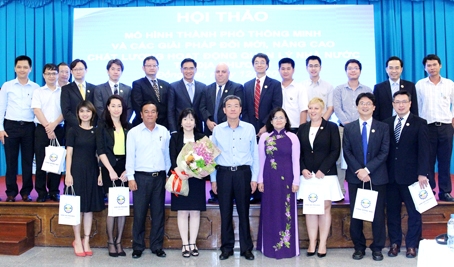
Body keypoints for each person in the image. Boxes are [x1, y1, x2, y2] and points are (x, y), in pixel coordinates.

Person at [211, 95, 259, 261]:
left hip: (243, 174)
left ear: (240, 109)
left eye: (236, 106)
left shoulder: (249, 128)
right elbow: (212, 156)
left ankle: (246, 248)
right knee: (225, 212)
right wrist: (213, 179)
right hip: (223, 174)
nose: (232, 108)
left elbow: (255, 154)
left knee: (243, 212)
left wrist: (254, 178)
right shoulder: (217, 130)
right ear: (224, 110)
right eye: (229, 106)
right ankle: (226, 248)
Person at [342, 93, 389, 261]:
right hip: (356, 177)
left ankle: (377, 248)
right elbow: (347, 152)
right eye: (361, 103)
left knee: (377, 214)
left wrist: (367, 170)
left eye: (368, 103)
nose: (365, 106)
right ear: (356, 106)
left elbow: (384, 152)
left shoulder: (383, 127)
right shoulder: (349, 128)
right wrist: (360, 171)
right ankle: (359, 247)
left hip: (377, 177)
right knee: (357, 214)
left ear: (374, 107)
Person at [384, 90, 429, 258]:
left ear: (410, 103)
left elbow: (425, 151)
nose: (401, 105)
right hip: (391, 177)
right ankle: (394, 243)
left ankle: (412, 245)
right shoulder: (387, 123)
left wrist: (422, 173)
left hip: (412, 177)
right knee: (393, 212)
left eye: (404, 101)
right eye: (397, 102)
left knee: (414, 212)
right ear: (393, 104)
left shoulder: (420, 122)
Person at [297, 97, 343, 257]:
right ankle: (312, 242)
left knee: (324, 208)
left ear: (322, 110)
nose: (313, 111)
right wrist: (302, 169)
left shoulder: (331, 127)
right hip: (307, 176)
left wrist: (323, 169)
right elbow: (299, 152)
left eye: (316, 108)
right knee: (310, 209)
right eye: (310, 108)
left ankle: (322, 243)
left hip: (326, 176)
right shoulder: (302, 128)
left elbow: (335, 150)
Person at [126, 102, 170, 259]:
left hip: (159, 178)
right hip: (141, 178)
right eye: (146, 112)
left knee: (158, 213)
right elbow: (130, 156)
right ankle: (138, 246)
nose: (150, 114)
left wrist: (167, 175)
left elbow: (167, 156)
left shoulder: (164, 131)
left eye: (153, 111)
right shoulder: (133, 133)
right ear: (141, 114)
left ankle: (157, 246)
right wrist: (130, 177)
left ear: (157, 114)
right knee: (139, 213)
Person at [257, 107, 300, 259]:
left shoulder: (292, 137)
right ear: (271, 121)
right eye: (275, 117)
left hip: (288, 180)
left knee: (286, 211)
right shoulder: (264, 137)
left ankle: (287, 247)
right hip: (269, 179)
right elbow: (261, 160)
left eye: (281, 117)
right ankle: (268, 246)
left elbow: (296, 160)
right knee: (270, 211)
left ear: (286, 120)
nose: (279, 120)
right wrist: (260, 180)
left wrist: (296, 181)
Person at [64, 100, 105, 257]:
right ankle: (76, 240)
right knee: (78, 209)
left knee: (88, 209)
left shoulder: (97, 131)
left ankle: (86, 239)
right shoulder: (73, 130)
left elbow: (98, 154)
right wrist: (68, 173)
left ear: (92, 113)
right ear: (78, 114)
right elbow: (69, 154)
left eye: (88, 111)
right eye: (82, 111)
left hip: (92, 172)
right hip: (76, 173)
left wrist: (100, 173)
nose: (85, 114)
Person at [0, 55, 39, 202]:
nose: (22, 70)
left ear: (30, 69)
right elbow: (1, 107)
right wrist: (0, 128)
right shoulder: (7, 86)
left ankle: (26, 192)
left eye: (25, 67)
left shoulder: (36, 87)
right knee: (11, 161)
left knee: (28, 162)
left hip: (29, 127)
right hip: (10, 126)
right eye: (19, 67)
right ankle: (11, 192)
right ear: (15, 68)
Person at [416, 54, 454, 202]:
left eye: (434, 65)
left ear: (440, 66)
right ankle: (429, 190)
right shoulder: (420, 85)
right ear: (425, 68)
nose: (432, 68)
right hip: (427, 127)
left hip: (445, 126)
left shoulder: (449, 84)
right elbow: (417, 106)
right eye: (429, 65)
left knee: (445, 160)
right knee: (428, 160)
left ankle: (445, 191)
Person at [169, 108, 206, 258]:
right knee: (183, 212)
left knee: (195, 212)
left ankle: (193, 243)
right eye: (185, 119)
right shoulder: (175, 137)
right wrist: (180, 172)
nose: (188, 122)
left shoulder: (201, 137)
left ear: (196, 122)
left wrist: (193, 172)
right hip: (180, 178)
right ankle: (185, 244)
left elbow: (206, 160)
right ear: (181, 122)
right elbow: (171, 158)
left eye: (191, 119)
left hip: (196, 179)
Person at [333, 59, 373, 197]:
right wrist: (349, 124)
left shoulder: (367, 89)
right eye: (350, 68)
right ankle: (340, 191)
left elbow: (368, 108)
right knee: (340, 160)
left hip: (363, 128)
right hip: (344, 128)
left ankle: (364, 187)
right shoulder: (339, 89)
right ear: (346, 71)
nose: (353, 70)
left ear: (360, 71)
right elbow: (337, 108)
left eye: (356, 68)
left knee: (362, 158)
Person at [96, 95, 129, 257]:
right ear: (108, 107)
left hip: (124, 168)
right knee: (112, 207)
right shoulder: (102, 125)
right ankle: (110, 241)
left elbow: (132, 151)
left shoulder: (128, 126)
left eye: (119, 106)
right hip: (110, 167)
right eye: (113, 106)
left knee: (122, 207)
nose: (116, 109)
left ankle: (119, 241)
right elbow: (100, 150)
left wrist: (127, 170)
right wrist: (109, 170)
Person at [32, 63, 65, 202]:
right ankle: (41, 192)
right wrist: (48, 127)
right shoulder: (38, 91)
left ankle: (54, 191)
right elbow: (36, 110)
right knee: (40, 162)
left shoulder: (64, 91)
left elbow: (66, 111)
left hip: (59, 129)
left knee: (55, 162)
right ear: (43, 75)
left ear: (58, 75)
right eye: (48, 73)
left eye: (54, 73)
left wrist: (53, 125)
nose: (51, 76)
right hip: (41, 129)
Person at [243, 53, 282, 136]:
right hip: (249, 127)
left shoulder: (275, 84)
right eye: (256, 63)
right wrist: (248, 126)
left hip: (269, 127)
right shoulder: (247, 85)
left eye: (262, 62)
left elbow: (276, 107)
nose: (259, 65)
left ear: (267, 65)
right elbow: (244, 108)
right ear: (253, 66)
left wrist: (267, 125)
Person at [202, 62, 244, 135]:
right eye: (218, 71)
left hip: (229, 129)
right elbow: (202, 107)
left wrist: (221, 126)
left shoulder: (237, 88)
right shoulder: (207, 88)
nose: (220, 74)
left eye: (223, 72)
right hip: (210, 130)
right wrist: (207, 121)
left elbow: (237, 108)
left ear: (228, 73)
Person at [373, 56, 418, 121]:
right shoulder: (379, 87)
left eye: (397, 68)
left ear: (401, 69)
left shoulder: (410, 86)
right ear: (386, 70)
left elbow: (414, 108)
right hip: (385, 124)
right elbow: (376, 111)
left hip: (406, 125)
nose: (394, 71)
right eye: (391, 68)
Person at [168, 58, 206, 133]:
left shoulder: (203, 87)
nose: (188, 71)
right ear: (181, 70)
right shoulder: (173, 87)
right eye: (185, 68)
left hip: (198, 129)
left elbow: (203, 108)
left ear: (196, 70)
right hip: (179, 129)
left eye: (191, 68)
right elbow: (170, 111)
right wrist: (173, 130)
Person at [131, 56, 171, 128]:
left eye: (154, 65)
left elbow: (168, 105)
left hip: (164, 124)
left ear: (158, 68)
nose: (152, 68)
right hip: (144, 124)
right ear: (143, 68)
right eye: (149, 66)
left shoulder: (166, 84)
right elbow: (138, 105)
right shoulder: (138, 84)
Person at [61, 59, 97, 131]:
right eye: (75, 69)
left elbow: (96, 108)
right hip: (73, 128)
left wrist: (90, 124)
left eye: (80, 69)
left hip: (91, 128)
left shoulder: (94, 88)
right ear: (71, 72)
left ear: (86, 70)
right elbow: (66, 111)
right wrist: (81, 124)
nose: (78, 72)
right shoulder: (66, 89)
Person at [94, 59, 132, 123]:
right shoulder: (99, 88)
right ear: (108, 71)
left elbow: (129, 108)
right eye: (113, 69)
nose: (115, 72)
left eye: (118, 69)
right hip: (105, 125)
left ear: (121, 72)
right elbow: (99, 108)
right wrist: (111, 122)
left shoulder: (127, 89)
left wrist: (121, 122)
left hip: (122, 125)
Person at [279, 58, 308, 134]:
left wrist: (301, 130)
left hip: (295, 128)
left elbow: (303, 110)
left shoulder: (300, 88)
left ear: (293, 70)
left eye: (288, 69)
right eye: (283, 69)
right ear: (279, 70)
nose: (285, 71)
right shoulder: (275, 87)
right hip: (277, 128)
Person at [304, 55, 334, 121]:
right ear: (307, 68)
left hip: (324, 124)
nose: (313, 68)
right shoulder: (301, 86)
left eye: (316, 66)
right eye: (311, 66)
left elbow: (330, 108)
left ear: (320, 68)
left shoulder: (328, 86)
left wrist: (321, 122)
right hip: (306, 124)